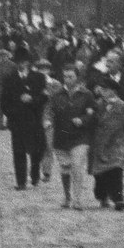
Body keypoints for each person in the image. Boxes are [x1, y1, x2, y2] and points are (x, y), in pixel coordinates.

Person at [48, 65, 96, 210]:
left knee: (77, 166)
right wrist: (47, 119)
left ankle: (78, 199)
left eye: (71, 77)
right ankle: (67, 196)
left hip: (80, 137)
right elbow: (50, 110)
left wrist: (83, 120)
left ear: (77, 77)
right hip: (62, 137)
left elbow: (92, 113)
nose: (68, 80)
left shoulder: (86, 95)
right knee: (65, 169)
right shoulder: (57, 95)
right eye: (65, 77)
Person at [0, 57, 49, 190]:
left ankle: (35, 173)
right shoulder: (9, 79)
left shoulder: (39, 77)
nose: (21, 64)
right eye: (19, 61)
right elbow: (3, 102)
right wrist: (14, 112)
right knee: (19, 152)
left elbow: (44, 97)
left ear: (28, 62)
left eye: (24, 61)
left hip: (34, 120)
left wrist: (32, 99)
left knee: (37, 150)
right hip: (17, 122)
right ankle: (21, 181)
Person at [90, 84, 124, 210]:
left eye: (105, 89)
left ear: (113, 91)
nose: (102, 91)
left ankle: (118, 199)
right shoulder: (98, 105)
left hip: (117, 145)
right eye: (102, 89)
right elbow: (91, 120)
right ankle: (102, 196)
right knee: (100, 175)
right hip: (100, 145)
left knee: (116, 171)